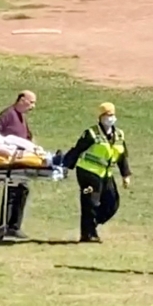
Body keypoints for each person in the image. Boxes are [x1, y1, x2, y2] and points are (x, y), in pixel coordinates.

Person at [62, 102, 131, 243]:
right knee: (90, 203)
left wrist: (125, 175)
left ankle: (92, 223)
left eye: (112, 115)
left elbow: (121, 155)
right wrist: (65, 167)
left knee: (112, 203)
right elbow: (77, 149)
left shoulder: (119, 135)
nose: (110, 118)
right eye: (106, 115)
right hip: (88, 172)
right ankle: (88, 234)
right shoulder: (91, 133)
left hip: (106, 174)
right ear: (100, 117)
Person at [0, 90, 37, 239]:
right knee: (12, 190)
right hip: (9, 160)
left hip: (21, 160)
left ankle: (14, 226)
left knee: (22, 189)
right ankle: (4, 226)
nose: (33, 106)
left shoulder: (22, 117)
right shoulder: (8, 114)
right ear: (22, 100)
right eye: (31, 102)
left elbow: (27, 136)